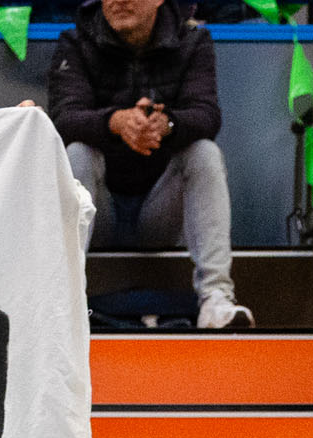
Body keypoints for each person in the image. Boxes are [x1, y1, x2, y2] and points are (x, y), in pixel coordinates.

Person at [49, 0, 247, 330]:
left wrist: (166, 125)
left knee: (204, 152)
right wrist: (115, 122)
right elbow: (63, 120)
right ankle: (61, 299)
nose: (118, 0)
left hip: (160, 212)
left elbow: (207, 115)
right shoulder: (75, 42)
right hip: (98, 210)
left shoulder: (192, 41)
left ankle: (216, 298)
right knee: (77, 153)